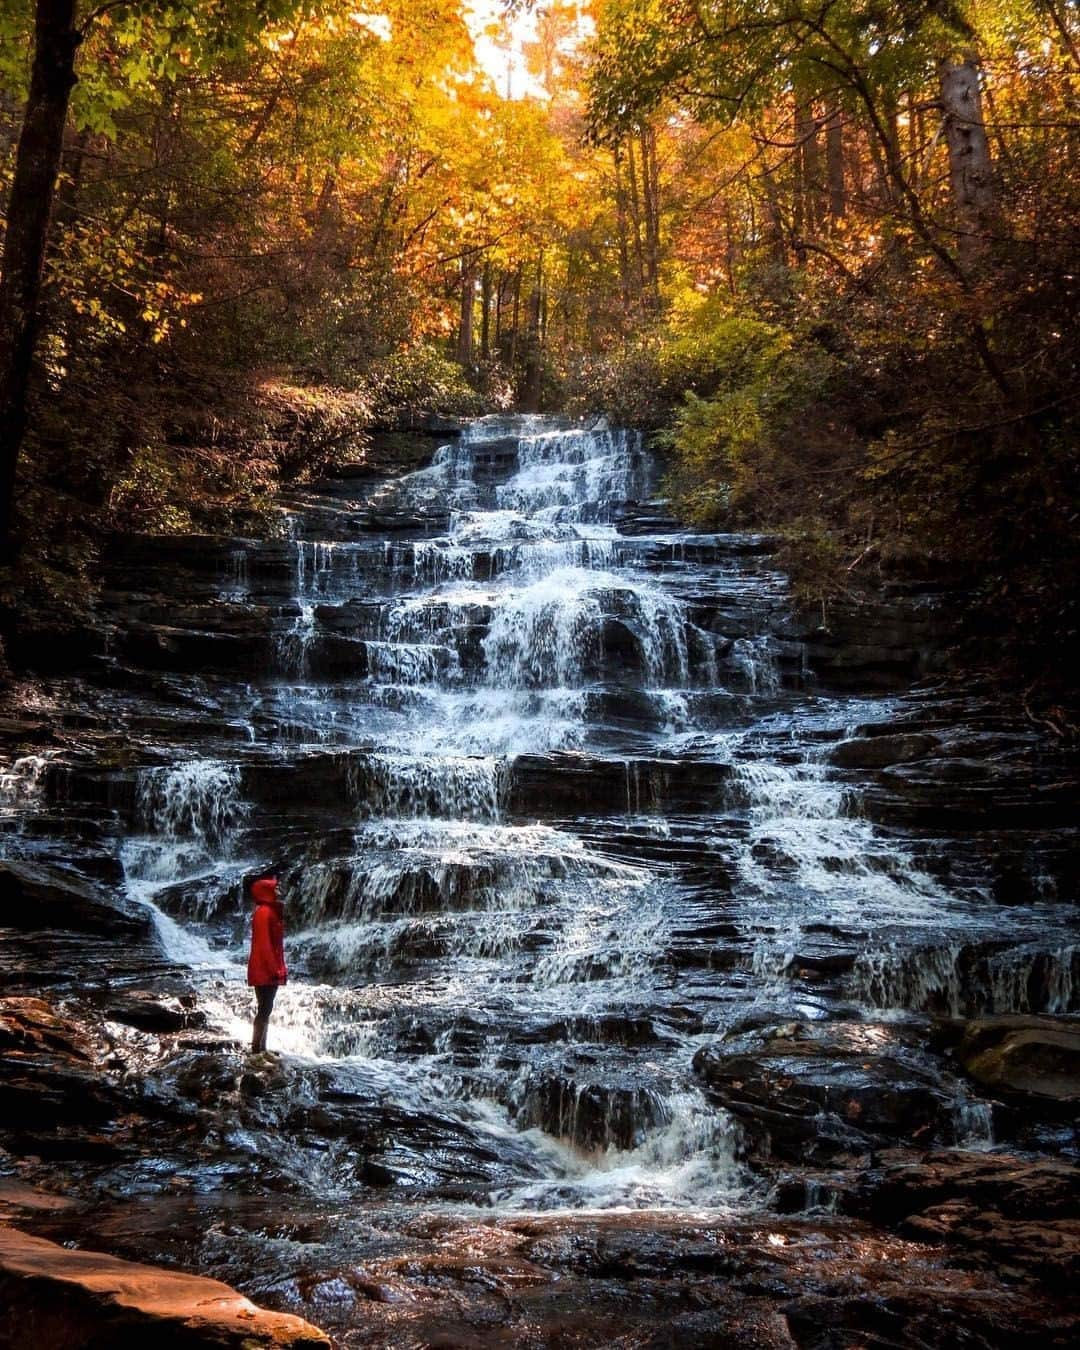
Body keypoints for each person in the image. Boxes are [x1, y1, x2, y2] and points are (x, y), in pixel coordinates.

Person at [246, 875, 286, 1053]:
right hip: (264, 969)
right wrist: (274, 969)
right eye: (275, 889)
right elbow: (265, 945)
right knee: (264, 1009)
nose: (279, 891)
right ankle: (256, 1050)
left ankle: (262, 1049)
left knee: (266, 1008)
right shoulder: (264, 913)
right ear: (267, 892)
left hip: (266, 968)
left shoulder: (269, 911)